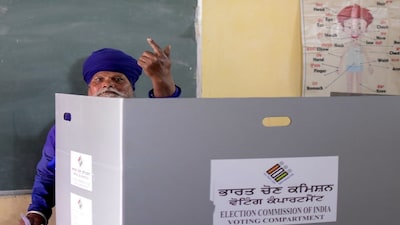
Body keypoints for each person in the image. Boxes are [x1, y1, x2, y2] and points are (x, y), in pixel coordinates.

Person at [20, 38, 181, 225]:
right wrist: (38, 211)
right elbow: (48, 173)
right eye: (99, 79)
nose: (108, 84)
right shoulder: (67, 128)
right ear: (89, 89)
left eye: (118, 79)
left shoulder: (149, 121)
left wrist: (161, 80)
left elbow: (169, 120)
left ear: (132, 88)